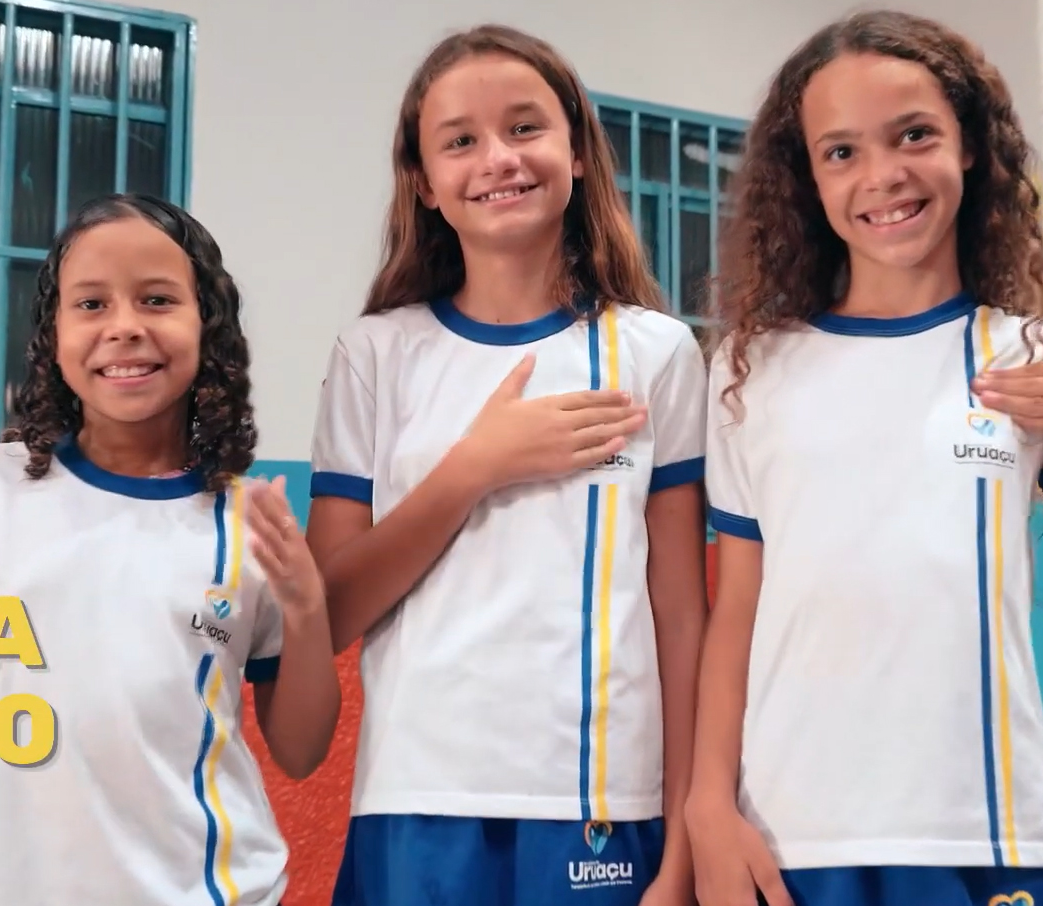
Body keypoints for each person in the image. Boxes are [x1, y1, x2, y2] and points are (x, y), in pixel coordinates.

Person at [684, 11, 1043, 906]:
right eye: (841, 152)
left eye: (913, 135)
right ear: (807, 179)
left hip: (997, 835)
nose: (882, 175)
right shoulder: (750, 371)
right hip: (796, 838)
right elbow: (735, 613)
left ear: (971, 147)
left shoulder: (1032, 353)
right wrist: (707, 807)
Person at [304, 24, 708, 906]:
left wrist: (683, 842)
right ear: (423, 181)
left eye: (525, 127)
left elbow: (681, 617)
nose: (498, 158)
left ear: (576, 150)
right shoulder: (374, 354)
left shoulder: (657, 353)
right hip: (417, 800)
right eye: (459, 141)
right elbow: (327, 612)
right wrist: (473, 468)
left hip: (603, 803)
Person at [0, 193, 342, 906]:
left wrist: (307, 610)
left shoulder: (249, 522)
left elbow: (301, 752)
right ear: (53, 334)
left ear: (207, 325)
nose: (124, 327)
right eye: (91, 304)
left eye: (157, 299)